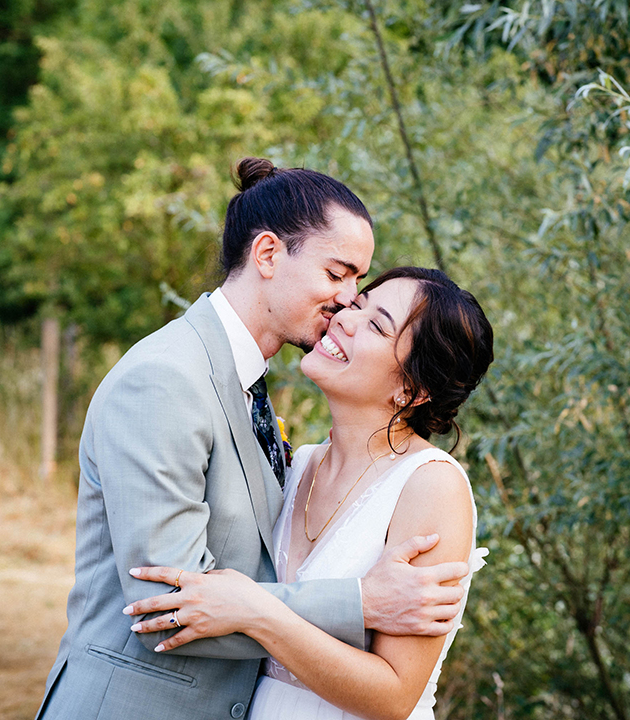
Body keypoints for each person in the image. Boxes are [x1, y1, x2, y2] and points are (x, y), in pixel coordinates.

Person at [35, 161, 471, 720]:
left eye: (358, 285)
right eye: (337, 275)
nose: (347, 301)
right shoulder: (166, 379)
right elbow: (167, 608)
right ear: (267, 254)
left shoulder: (252, 395)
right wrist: (361, 602)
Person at [123, 266, 495, 720]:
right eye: (357, 305)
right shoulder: (299, 465)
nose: (345, 318)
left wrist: (255, 611)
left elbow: (394, 696)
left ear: (412, 389)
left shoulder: (431, 485)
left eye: (377, 326)